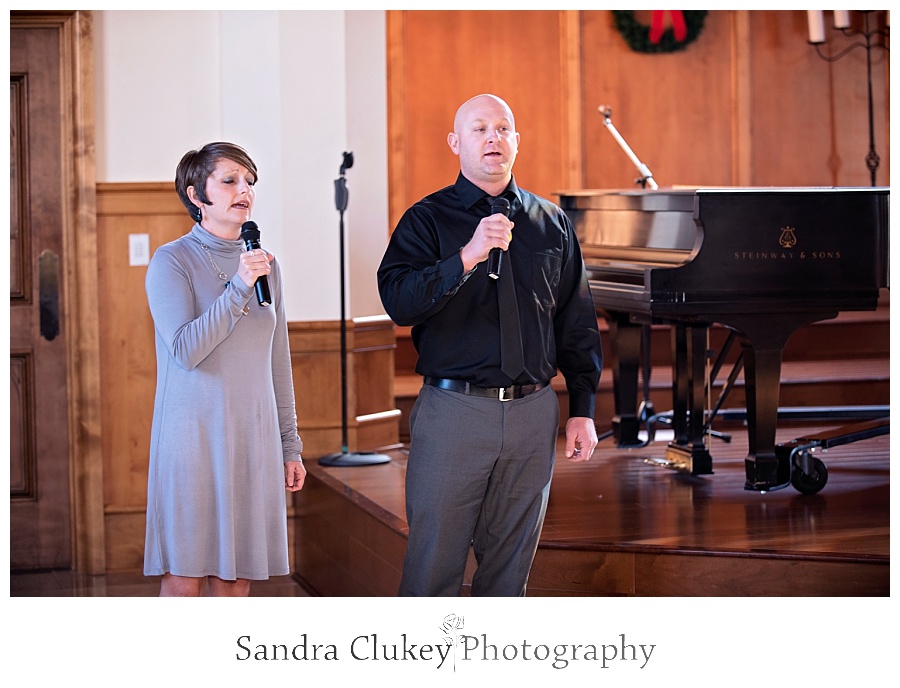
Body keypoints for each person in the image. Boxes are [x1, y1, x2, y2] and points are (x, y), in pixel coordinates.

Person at [378, 94, 603, 596]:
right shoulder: (426, 219)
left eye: (503, 128)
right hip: (455, 412)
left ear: (517, 142)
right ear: (456, 143)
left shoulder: (551, 221)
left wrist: (583, 408)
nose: (493, 138)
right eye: (479, 129)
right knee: (434, 567)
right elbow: (399, 301)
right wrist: (467, 255)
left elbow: (576, 319)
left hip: (533, 413)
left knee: (509, 571)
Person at [143, 142, 306, 596]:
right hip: (193, 435)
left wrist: (289, 444)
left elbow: (278, 360)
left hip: (252, 435)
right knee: (186, 579)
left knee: (236, 581)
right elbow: (186, 350)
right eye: (230, 180)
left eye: (249, 182)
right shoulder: (171, 261)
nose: (244, 191)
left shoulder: (265, 266)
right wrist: (237, 288)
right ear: (197, 196)